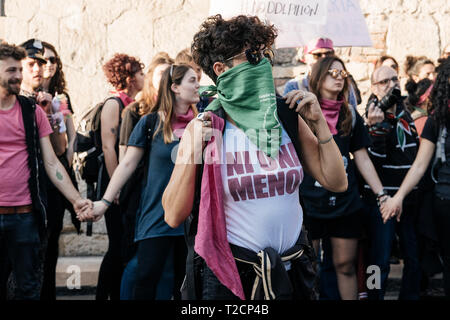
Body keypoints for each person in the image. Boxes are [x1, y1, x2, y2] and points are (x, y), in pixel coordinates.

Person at [162, 14, 348, 300]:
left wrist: (319, 123)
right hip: (233, 279)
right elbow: (174, 215)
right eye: (250, 55)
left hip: (292, 274)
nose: (261, 62)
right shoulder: (207, 127)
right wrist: (190, 151)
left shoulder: (285, 115)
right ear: (221, 68)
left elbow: (337, 182)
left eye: (264, 53)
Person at [78, 64, 199, 300]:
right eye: (192, 80)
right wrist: (104, 201)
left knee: (184, 285)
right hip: (156, 217)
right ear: (175, 87)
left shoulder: (202, 123)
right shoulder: (150, 123)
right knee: (146, 279)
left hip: (192, 221)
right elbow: (127, 165)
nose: (198, 85)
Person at [0, 42, 91, 300]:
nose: (18, 75)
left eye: (20, 69)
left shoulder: (31, 112)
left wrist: (76, 200)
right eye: (11, 70)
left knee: (28, 290)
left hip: (25, 217)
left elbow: (53, 163)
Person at [293, 56, 386, 300]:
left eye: (342, 74)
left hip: (345, 200)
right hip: (309, 200)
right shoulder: (302, 112)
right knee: (308, 267)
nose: (338, 78)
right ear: (317, 77)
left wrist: (382, 194)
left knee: (346, 265)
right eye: (332, 73)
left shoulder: (350, 114)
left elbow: (362, 157)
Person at [382, 57, 450, 298]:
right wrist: (398, 197)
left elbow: (420, 165)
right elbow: (420, 165)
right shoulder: (437, 120)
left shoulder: (436, 119)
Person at [363, 65, 422, 300]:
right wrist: (377, 131)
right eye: (383, 81)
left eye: (394, 79)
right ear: (374, 88)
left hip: (408, 199)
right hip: (382, 202)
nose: (391, 85)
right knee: (377, 260)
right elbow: (371, 164)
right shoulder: (371, 116)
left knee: (414, 257)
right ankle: (372, 296)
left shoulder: (405, 113)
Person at [118, 52, 173, 300]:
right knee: (140, 264)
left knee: (168, 269)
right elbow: (124, 159)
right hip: (140, 196)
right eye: (161, 74)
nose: (166, 80)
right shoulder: (137, 112)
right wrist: (113, 195)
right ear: (151, 78)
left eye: (170, 75)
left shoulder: (183, 117)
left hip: (170, 198)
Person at [96, 53, 145, 300]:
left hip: (128, 185)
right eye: (140, 73)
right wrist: (116, 189)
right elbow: (108, 147)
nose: (143, 77)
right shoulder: (114, 104)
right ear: (129, 77)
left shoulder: (136, 104)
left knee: (125, 245)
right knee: (117, 245)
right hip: (115, 183)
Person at [38, 41, 82, 300]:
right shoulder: (24, 99)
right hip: (35, 175)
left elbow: (68, 138)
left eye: (53, 60)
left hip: (57, 166)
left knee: (52, 237)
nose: (50, 65)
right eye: (44, 60)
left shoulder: (61, 97)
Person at [283, 37, 360, 107]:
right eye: (317, 55)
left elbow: (353, 118)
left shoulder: (344, 86)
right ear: (306, 57)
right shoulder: (294, 86)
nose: (323, 59)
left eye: (328, 54)